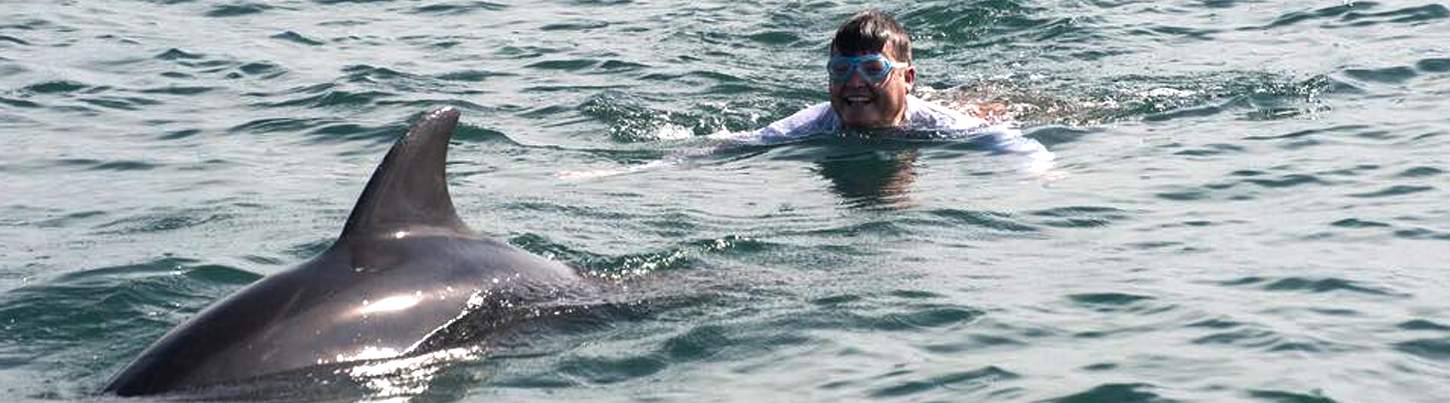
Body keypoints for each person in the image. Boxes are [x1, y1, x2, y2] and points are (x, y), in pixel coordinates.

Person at [715, 9, 1051, 161]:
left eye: (874, 69)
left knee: (989, 112)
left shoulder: (943, 125)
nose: (855, 82)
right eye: (842, 69)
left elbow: (1017, 145)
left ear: (908, 79)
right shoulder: (811, 124)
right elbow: (736, 145)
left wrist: (1040, 173)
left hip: (943, 114)